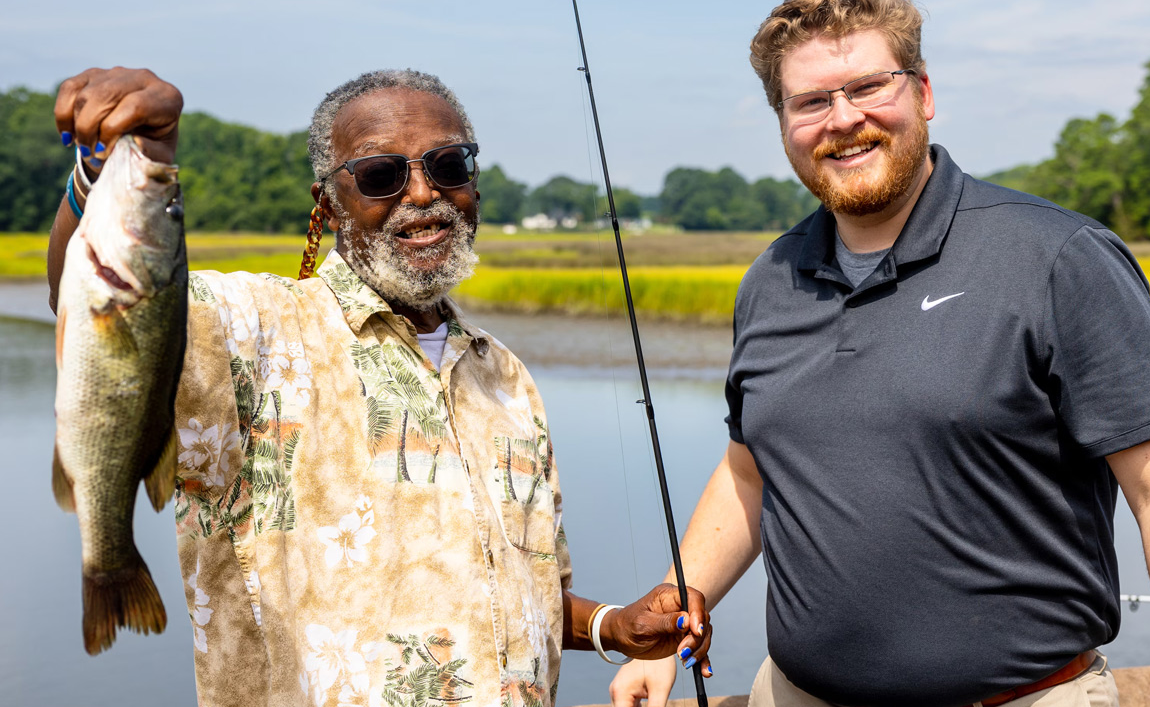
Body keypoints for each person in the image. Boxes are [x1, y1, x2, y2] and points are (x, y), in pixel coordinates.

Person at [611, 0, 1150, 707]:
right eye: (812, 101)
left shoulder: (1058, 257)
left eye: (868, 86)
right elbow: (751, 473)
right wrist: (672, 613)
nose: (844, 119)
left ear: (922, 92)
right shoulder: (770, 279)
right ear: (784, 120)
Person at [47, 65, 712, 707]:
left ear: (474, 187)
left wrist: (610, 626)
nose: (422, 194)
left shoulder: (506, 376)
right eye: (380, 174)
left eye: (448, 165)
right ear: (329, 207)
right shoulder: (253, 332)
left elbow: (515, 585)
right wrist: (113, 170)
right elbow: (116, 316)